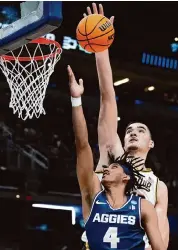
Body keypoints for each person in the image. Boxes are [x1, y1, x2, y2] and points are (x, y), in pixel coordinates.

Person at [81, 3, 169, 250]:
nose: (132, 131)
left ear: (150, 144)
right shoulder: (113, 157)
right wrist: (100, 48)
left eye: (141, 130)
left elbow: (161, 233)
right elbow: (107, 97)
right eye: (129, 129)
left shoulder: (157, 186)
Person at [67, 65, 166, 250]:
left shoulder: (143, 206)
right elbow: (82, 145)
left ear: (126, 177)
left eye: (113, 168)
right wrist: (76, 100)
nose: (105, 168)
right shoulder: (93, 195)